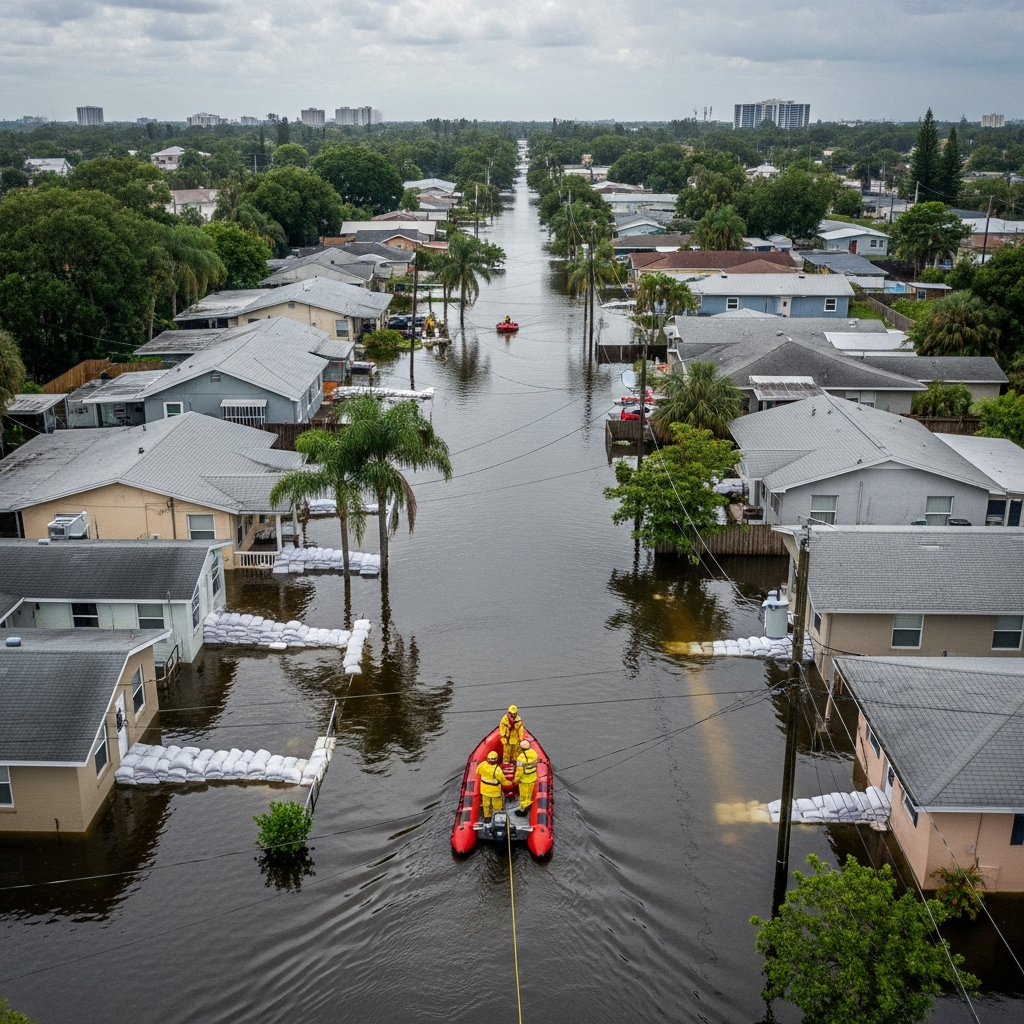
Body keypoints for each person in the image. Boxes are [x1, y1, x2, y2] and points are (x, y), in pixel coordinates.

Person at [477, 750, 506, 822]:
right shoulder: (497, 769)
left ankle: (487, 818)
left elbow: (477, 771)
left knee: (486, 805)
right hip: (494, 792)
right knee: (497, 805)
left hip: (484, 790)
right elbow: (503, 780)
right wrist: (511, 782)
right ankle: (498, 818)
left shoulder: (482, 764)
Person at [513, 738, 538, 817]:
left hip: (524, 779)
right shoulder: (534, 753)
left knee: (523, 796)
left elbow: (519, 771)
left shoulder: (521, 758)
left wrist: (515, 780)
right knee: (529, 794)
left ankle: (523, 811)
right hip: (532, 777)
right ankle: (529, 805)